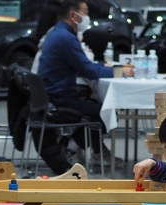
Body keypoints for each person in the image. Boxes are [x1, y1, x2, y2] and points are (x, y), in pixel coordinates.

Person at [38, 0, 131, 166]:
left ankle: (86, 149)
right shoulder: (66, 38)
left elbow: (83, 66)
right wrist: (119, 71)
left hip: (52, 93)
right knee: (105, 112)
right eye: (85, 12)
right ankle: (69, 147)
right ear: (74, 15)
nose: (87, 17)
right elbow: (88, 70)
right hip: (59, 97)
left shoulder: (59, 32)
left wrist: (104, 67)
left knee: (99, 107)